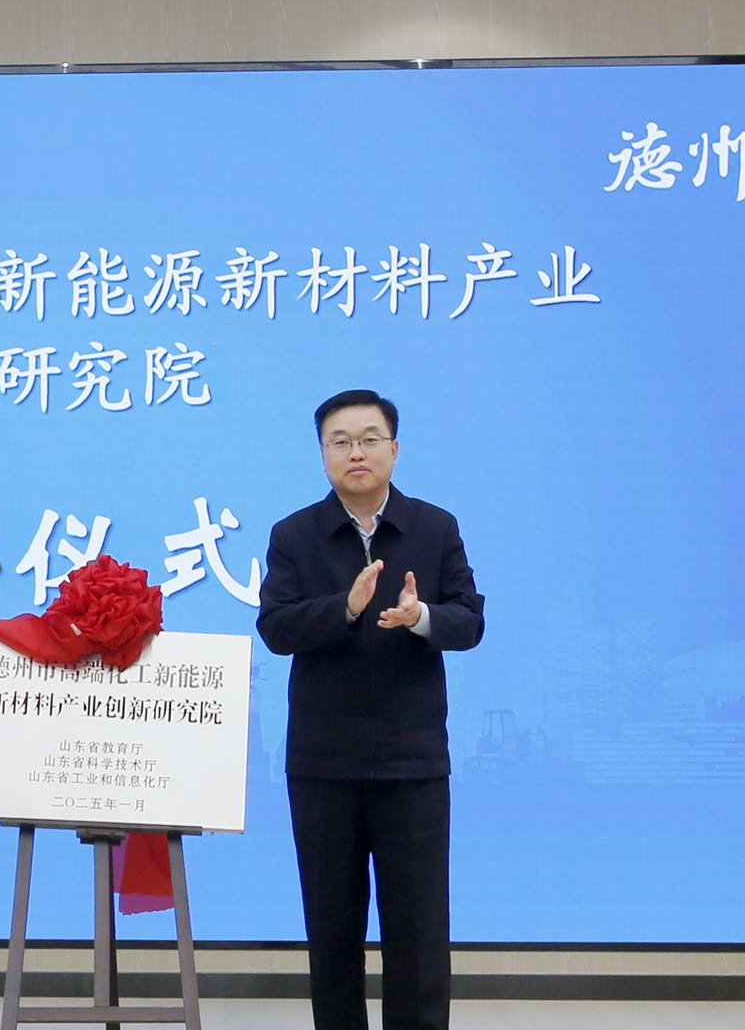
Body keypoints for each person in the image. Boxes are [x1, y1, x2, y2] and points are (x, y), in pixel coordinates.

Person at [257, 390, 484, 1030]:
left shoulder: (434, 527)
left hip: (412, 762)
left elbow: (470, 621)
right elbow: (275, 628)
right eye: (340, 441)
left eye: (369, 438)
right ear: (323, 453)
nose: (355, 452)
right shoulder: (294, 534)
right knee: (332, 931)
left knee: (418, 930)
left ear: (394, 448)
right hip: (323, 765)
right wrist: (346, 608)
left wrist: (421, 616)